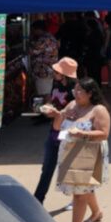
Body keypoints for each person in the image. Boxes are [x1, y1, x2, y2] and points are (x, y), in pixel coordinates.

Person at [43, 77, 110, 222]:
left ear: (90, 93)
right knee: (85, 189)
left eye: (80, 91)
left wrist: (83, 134)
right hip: (70, 153)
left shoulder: (98, 110)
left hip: (89, 155)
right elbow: (57, 127)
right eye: (75, 90)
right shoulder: (71, 105)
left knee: (80, 194)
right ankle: (96, 213)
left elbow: (103, 133)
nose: (76, 94)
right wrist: (60, 114)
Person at [34, 57, 77, 204]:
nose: (54, 73)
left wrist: (58, 114)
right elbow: (52, 102)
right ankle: (38, 200)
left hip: (68, 132)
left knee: (70, 167)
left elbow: (76, 115)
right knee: (47, 167)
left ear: (65, 74)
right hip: (53, 130)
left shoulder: (76, 91)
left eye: (57, 71)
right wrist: (47, 107)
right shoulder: (56, 84)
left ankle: (79, 199)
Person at [29, 20, 59, 103]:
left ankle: (46, 113)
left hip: (44, 70)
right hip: (48, 70)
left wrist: (29, 42)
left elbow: (33, 51)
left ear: (38, 29)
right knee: (45, 92)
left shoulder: (44, 39)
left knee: (44, 93)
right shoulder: (50, 37)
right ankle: (44, 112)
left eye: (33, 30)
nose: (33, 32)